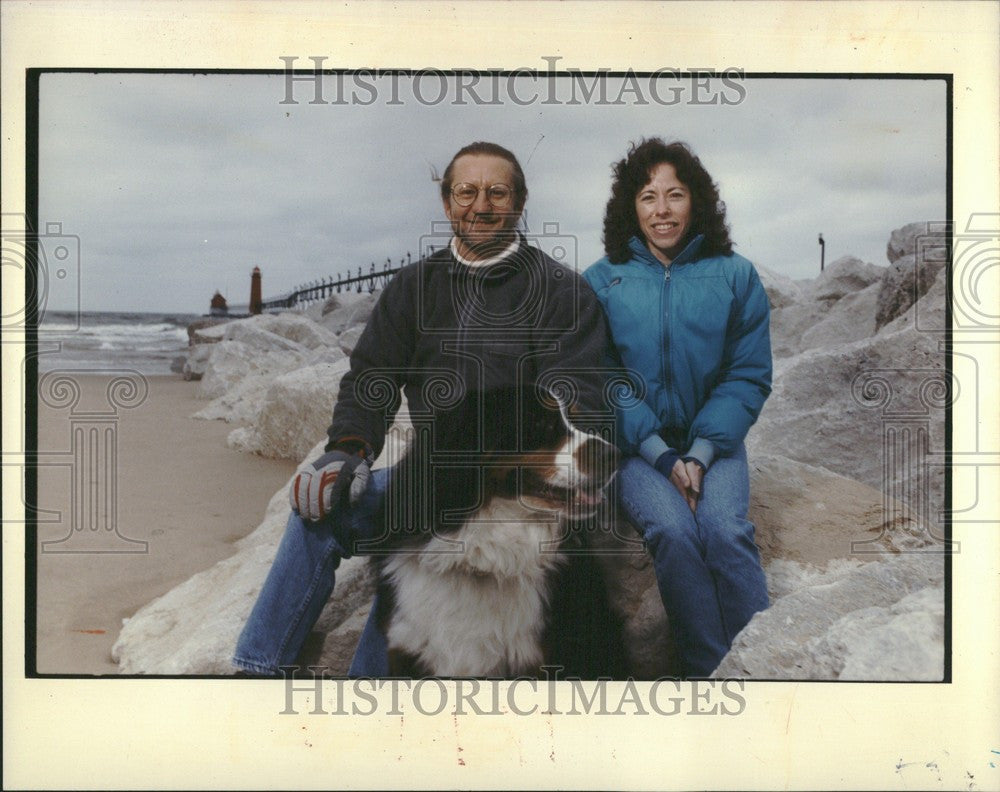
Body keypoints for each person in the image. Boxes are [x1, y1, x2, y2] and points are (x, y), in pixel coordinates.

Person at [233, 141, 613, 677]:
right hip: (426, 476)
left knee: (413, 553)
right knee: (318, 510)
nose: (480, 205)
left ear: (520, 202)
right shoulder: (413, 287)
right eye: (466, 191)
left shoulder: (561, 293)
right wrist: (346, 450)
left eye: (497, 192)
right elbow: (373, 379)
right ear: (446, 202)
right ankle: (255, 670)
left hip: (503, 494)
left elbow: (579, 400)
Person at [582, 138, 772, 678]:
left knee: (725, 531)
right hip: (636, 450)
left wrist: (703, 452)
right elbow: (602, 378)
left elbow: (748, 374)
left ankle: (761, 666)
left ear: (698, 201)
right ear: (630, 208)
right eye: (647, 197)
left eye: (675, 195)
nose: (662, 211)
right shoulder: (601, 281)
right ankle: (708, 673)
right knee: (673, 532)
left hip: (715, 445)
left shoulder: (737, 276)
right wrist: (664, 457)